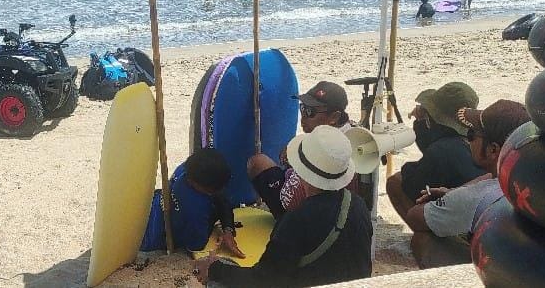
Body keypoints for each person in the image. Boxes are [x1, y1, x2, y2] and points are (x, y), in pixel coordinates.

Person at [194, 125, 373, 287]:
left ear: (300, 172)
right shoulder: (358, 205)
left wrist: (214, 268)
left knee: (219, 280)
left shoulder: (297, 220)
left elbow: (264, 280)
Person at [405, 100, 530, 269]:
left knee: (422, 239)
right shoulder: (534, 180)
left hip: (503, 271)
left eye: (471, 134)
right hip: (526, 265)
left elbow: (414, 217)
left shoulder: (477, 196)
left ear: (493, 150)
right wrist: (453, 192)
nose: (467, 140)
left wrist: (455, 196)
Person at [248, 81, 356, 220]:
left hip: (311, 208)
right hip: (316, 196)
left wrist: (295, 163)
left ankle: (285, 221)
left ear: (334, 117)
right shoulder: (338, 133)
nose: (303, 116)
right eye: (303, 108)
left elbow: (294, 197)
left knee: (257, 163)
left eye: (310, 112)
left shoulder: (336, 150)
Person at [388, 82, 485, 229]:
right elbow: (434, 150)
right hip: (476, 213)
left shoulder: (442, 150)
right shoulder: (475, 140)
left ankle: (426, 234)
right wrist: (422, 124)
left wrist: (421, 123)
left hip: (464, 224)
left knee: (395, 182)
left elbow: (414, 185)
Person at [140, 150, 242, 256]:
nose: (216, 192)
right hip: (150, 239)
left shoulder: (188, 168)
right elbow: (196, 245)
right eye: (212, 191)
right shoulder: (196, 210)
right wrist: (214, 218)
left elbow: (220, 197)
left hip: (149, 210)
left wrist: (228, 230)